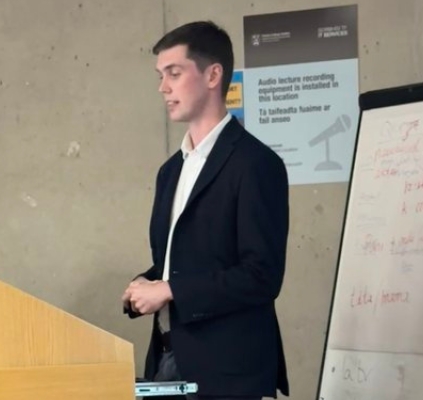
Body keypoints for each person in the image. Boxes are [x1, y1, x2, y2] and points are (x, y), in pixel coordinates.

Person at [122, 20, 290, 400]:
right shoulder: (171, 171)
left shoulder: (255, 164)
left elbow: (261, 276)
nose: (163, 87)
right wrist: (147, 284)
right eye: (160, 75)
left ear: (213, 75)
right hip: (168, 361)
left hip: (228, 373)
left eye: (174, 73)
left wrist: (169, 289)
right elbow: (182, 263)